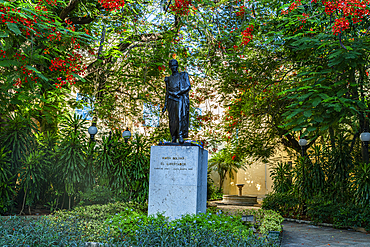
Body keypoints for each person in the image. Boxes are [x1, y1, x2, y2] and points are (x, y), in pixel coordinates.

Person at [162, 59, 191, 144]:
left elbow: (188, 86)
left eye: (175, 66)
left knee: (180, 117)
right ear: (170, 67)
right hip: (171, 100)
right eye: (172, 66)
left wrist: (178, 92)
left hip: (179, 98)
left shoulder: (183, 75)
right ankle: (173, 136)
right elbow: (167, 93)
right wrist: (165, 105)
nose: (173, 68)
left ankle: (180, 135)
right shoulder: (169, 79)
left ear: (177, 66)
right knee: (172, 119)